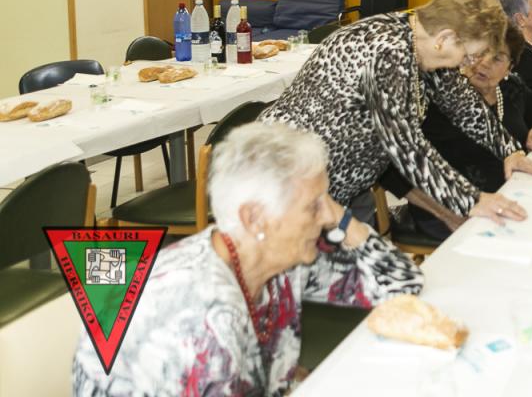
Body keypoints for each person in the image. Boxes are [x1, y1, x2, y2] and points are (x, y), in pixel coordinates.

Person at [73, 122, 425, 396]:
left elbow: (402, 283)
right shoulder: (202, 318)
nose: (324, 217)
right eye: (312, 206)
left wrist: (342, 218)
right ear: (255, 218)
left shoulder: (279, 257)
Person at [261, 0, 525, 226]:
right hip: (286, 187)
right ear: (444, 39)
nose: (467, 64)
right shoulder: (387, 52)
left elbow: (462, 102)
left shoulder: (421, 40)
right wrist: (472, 200)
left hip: (339, 185)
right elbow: (406, 147)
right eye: (468, 56)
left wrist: (510, 150)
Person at [417, 23, 532, 238]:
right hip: (451, 206)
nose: (484, 63)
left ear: (510, 67)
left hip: (510, 193)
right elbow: (403, 168)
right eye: (479, 53)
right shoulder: (444, 97)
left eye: (497, 58)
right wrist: (452, 212)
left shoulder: (510, 87)